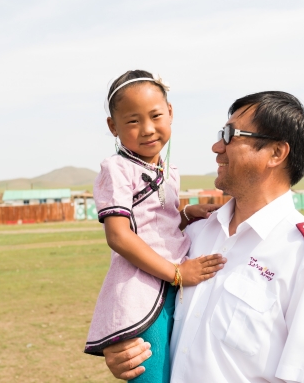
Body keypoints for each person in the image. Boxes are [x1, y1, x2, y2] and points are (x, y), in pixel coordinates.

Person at [103, 91, 304, 382]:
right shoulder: (194, 234)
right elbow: (147, 306)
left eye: (230, 134)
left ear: (276, 153)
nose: (216, 146)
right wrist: (127, 351)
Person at [84, 70, 227, 383]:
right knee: (154, 375)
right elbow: (119, 236)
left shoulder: (168, 170)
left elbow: (157, 220)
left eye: (156, 116)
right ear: (113, 126)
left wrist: (186, 214)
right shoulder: (117, 169)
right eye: (133, 121)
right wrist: (178, 273)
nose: (147, 129)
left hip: (171, 286)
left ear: (171, 113)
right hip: (141, 289)